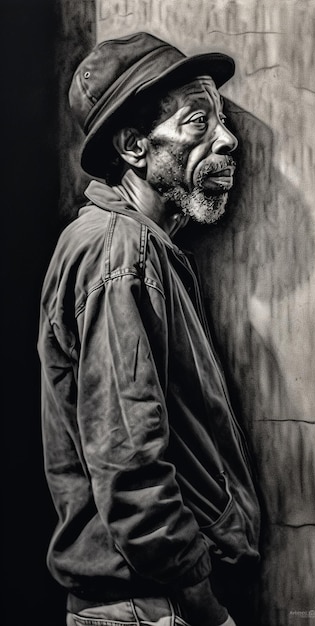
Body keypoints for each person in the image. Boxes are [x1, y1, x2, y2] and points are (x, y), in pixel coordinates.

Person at [38, 32, 261, 626]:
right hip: (147, 605)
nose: (228, 139)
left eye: (221, 119)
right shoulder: (120, 252)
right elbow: (127, 457)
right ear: (135, 146)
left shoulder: (135, 249)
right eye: (198, 122)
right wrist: (204, 603)